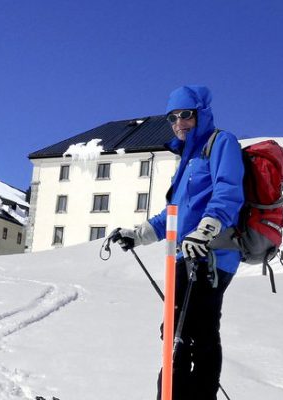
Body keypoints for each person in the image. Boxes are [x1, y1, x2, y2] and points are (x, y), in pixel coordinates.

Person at [111, 85, 244, 400]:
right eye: (172, 117)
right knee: (176, 332)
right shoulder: (188, 158)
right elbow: (172, 215)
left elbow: (228, 189)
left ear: (201, 113)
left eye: (186, 114)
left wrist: (207, 228)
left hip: (211, 256)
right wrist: (138, 234)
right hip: (183, 257)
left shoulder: (220, 143)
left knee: (195, 332)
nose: (179, 122)